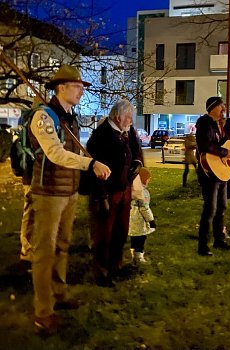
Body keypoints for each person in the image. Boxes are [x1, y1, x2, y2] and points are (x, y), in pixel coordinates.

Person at [28, 64, 111, 334]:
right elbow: (55, 154)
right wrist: (90, 164)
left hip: (69, 192)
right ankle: (43, 312)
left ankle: (59, 293)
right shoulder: (44, 116)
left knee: (62, 246)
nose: (80, 91)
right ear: (61, 88)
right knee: (44, 251)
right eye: (77, 86)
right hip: (49, 193)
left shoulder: (70, 117)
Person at [87, 99, 143, 287]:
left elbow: (135, 153)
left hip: (123, 189)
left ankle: (116, 265)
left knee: (121, 230)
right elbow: (94, 167)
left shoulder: (126, 133)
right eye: (128, 117)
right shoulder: (102, 135)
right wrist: (101, 196)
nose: (131, 121)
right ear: (118, 117)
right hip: (108, 192)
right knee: (105, 233)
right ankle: (102, 272)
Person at [196, 96, 230, 256]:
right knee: (210, 209)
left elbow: (224, 143)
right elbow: (205, 145)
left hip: (220, 172)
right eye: (221, 106)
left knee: (222, 207)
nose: (223, 108)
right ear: (213, 107)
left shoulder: (219, 125)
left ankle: (219, 240)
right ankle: (203, 246)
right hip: (209, 174)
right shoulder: (204, 124)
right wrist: (224, 152)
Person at [128, 167, 156, 263]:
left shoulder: (130, 188)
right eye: (148, 178)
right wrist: (151, 220)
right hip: (139, 219)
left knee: (134, 236)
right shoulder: (142, 192)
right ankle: (139, 256)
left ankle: (133, 253)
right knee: (141, 238)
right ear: (144, 179)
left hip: (130, 217)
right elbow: (144, 208)